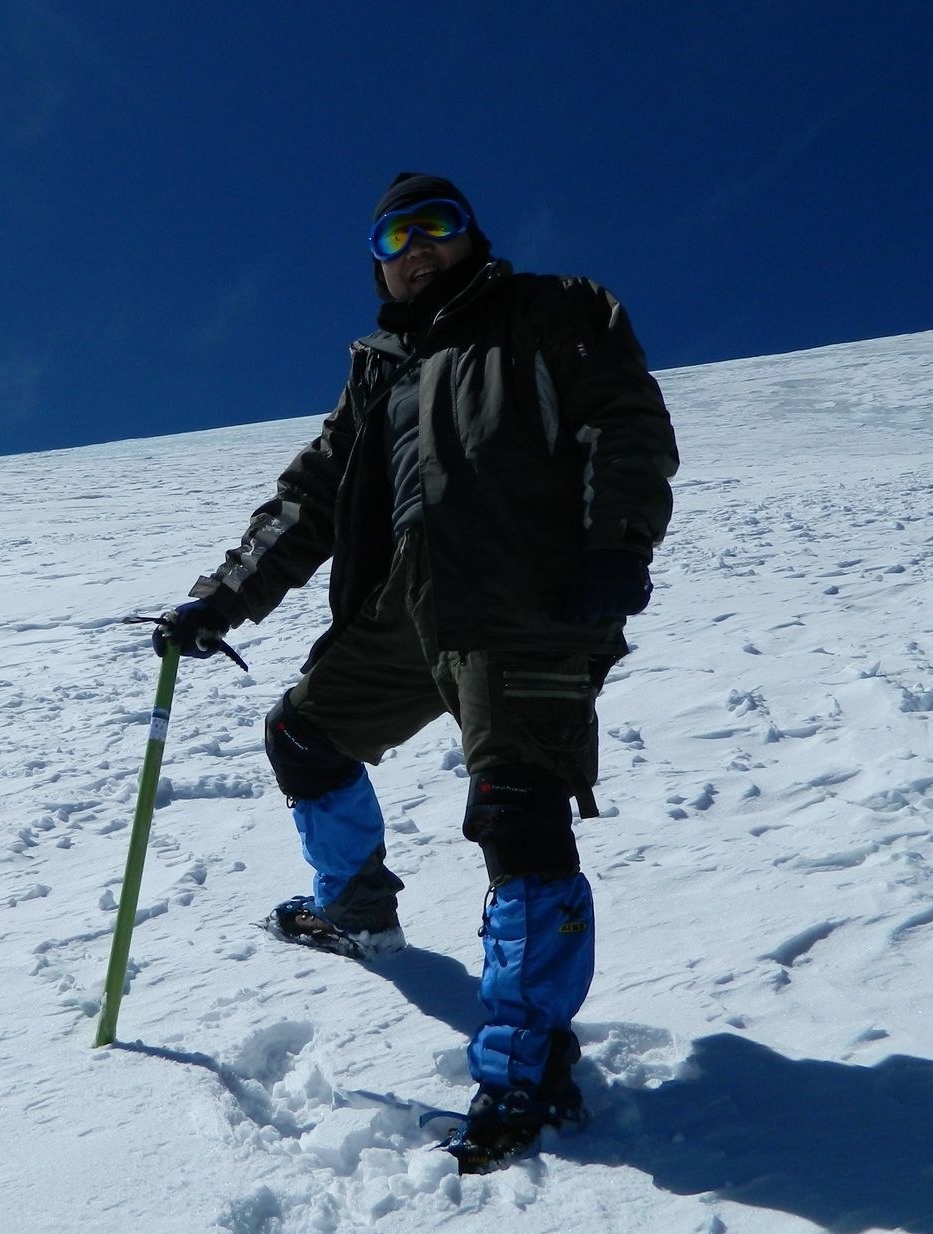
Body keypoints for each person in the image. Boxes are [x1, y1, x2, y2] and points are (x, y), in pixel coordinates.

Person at [156, 172, 679, 1167]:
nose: (417, 248)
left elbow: (624, 420)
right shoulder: (378, 373)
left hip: (527, 595)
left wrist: (616, 542)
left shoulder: (552, 310)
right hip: (407, 604)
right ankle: (355, 911)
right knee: (303, 735)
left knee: (518, 813)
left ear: (471, 236)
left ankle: (527, 1066)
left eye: (437, 225)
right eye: (395, 237)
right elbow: (307, 502)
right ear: (378, 265)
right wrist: (219, 598)